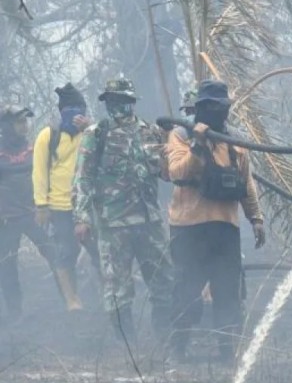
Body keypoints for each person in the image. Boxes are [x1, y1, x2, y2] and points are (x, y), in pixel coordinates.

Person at [166, 80, 265, 362]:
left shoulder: (234, 141)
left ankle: (226, 354)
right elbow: (178, 173)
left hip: (224, 228)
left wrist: (256, 218)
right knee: (186, 291)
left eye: (220, 107)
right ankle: (178, 351)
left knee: (227, 293)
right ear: (199, 109)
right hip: (189, 229)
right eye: (209, 107)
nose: (216, 112)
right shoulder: (182, 134)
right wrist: (199, 145)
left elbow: (246, 182)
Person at [73, 78, 174, 343]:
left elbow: (167, 174)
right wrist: (82, 218)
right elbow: (83, 178)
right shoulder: (97, 133)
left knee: (163, 279)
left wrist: (169, 142)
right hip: (113, 223)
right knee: (118, 287)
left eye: (123, 100)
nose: (118, 106)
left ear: (132, 102)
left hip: (149, 220)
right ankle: (127, 348)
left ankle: (165, 339)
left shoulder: (150, 132)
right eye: (112, 101)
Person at [33, 83, 98, 312]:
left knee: (99, 251)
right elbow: (39, 173)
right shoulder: (48, 136)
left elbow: (109, 152)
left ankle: (106, 299)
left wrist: (92, 128)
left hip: (90, 204)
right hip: (60, 207)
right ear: (62, 111)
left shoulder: (92, 132)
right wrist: (42, 205)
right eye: (70, 109)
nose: (75, 115)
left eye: (79, 109)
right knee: (66, 252)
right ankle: (72, 300)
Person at [0, 106, 54, 320]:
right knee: (7, 265)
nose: (25, 125)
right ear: (7, 126)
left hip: (34, 214)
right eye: (20, 121)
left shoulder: (34, 149)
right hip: (6, 219)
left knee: (54, 254)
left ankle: (71, 302)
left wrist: (46, 206)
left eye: (26, 121)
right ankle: (15, 314)